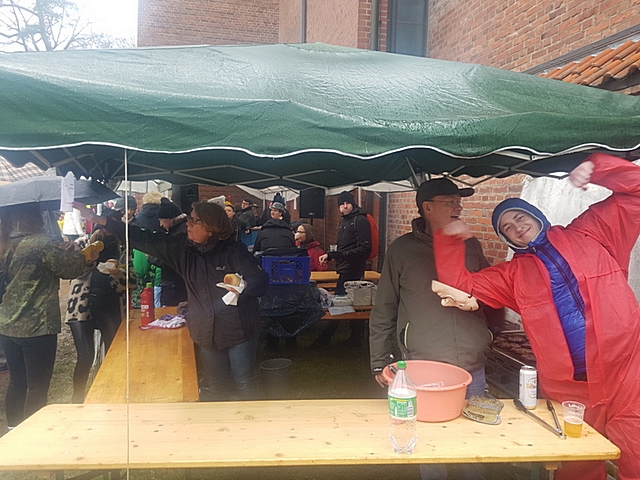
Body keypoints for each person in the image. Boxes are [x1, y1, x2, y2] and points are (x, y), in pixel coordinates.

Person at [433, 153, 640, 480]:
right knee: (577, 464)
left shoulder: (593, 232)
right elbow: (460, 284)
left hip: (627, 370)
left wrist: (598, 168)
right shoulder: (512, 275)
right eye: (507, 228)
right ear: (507, 239)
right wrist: (448, 239)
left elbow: (635, 193)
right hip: (570, 388)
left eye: (519, 217)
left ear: (536, 215)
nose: (517, 227)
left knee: (636, 452)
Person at [74, 200, 269, 401]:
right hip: (206, 332)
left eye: (195, 221)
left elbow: (261, 281)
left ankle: (254, 418)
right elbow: (145, 237)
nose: (188, 224)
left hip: (239, 328)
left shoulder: (234, 252)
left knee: (244, 383)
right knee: (216, 386)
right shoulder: (182, 249)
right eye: (190, 219)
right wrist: (104, 221)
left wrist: (245, 285)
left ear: (212, 227)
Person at [369, 178, 497, 480]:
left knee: (473, 441)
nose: (459, 207)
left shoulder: (471, 245)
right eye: (450, 202)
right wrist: (379, 360)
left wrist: (488, 334)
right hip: (424, 365)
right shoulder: (402, 250)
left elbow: (492, 292)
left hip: (471, 364)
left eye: (459, 202)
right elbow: (384, 308)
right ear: (427, 208)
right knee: (428, 442)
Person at [0, 203, 92, 428]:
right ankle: (34, 434)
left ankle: (13, 431)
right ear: (36, 216)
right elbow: (71, 270)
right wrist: (79, 253)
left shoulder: (5, 243)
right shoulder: (43, 242)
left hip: (7, 324)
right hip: (38, 325)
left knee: (18, 381)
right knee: (37, 386)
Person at [65, 222, 135, 403]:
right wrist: (89, 260)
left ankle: (111, 393)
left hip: (110, 306)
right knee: (85, 356)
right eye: (103, 229)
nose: (106, 233)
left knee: (113, 353)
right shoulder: (81, 245)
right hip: (81, 307)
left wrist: (116, 274)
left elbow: (133, 280)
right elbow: (72, 273)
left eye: (110, 229)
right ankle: (77, 399)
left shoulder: (123, 247)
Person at [315, 191, 371, 347]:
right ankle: (354, 338)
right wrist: (331, 254)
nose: (344, 206)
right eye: (341, 204)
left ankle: (326, 338)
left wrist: (341, 255)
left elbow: (365, 248)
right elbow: (344, 246)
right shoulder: (345, 220)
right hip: (344, 267)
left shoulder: (360, 220)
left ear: (352, 204)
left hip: (353, 268)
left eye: (347, 203)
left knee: (340, 302)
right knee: (347, 302)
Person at [153, 197, 188, 307]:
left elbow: (172, 261)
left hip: (176, 288)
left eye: (162, 220)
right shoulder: (179, 231)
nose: (160, 224)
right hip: (177, 286)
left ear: (171, 220)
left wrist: (152, 257)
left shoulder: (178, 235)